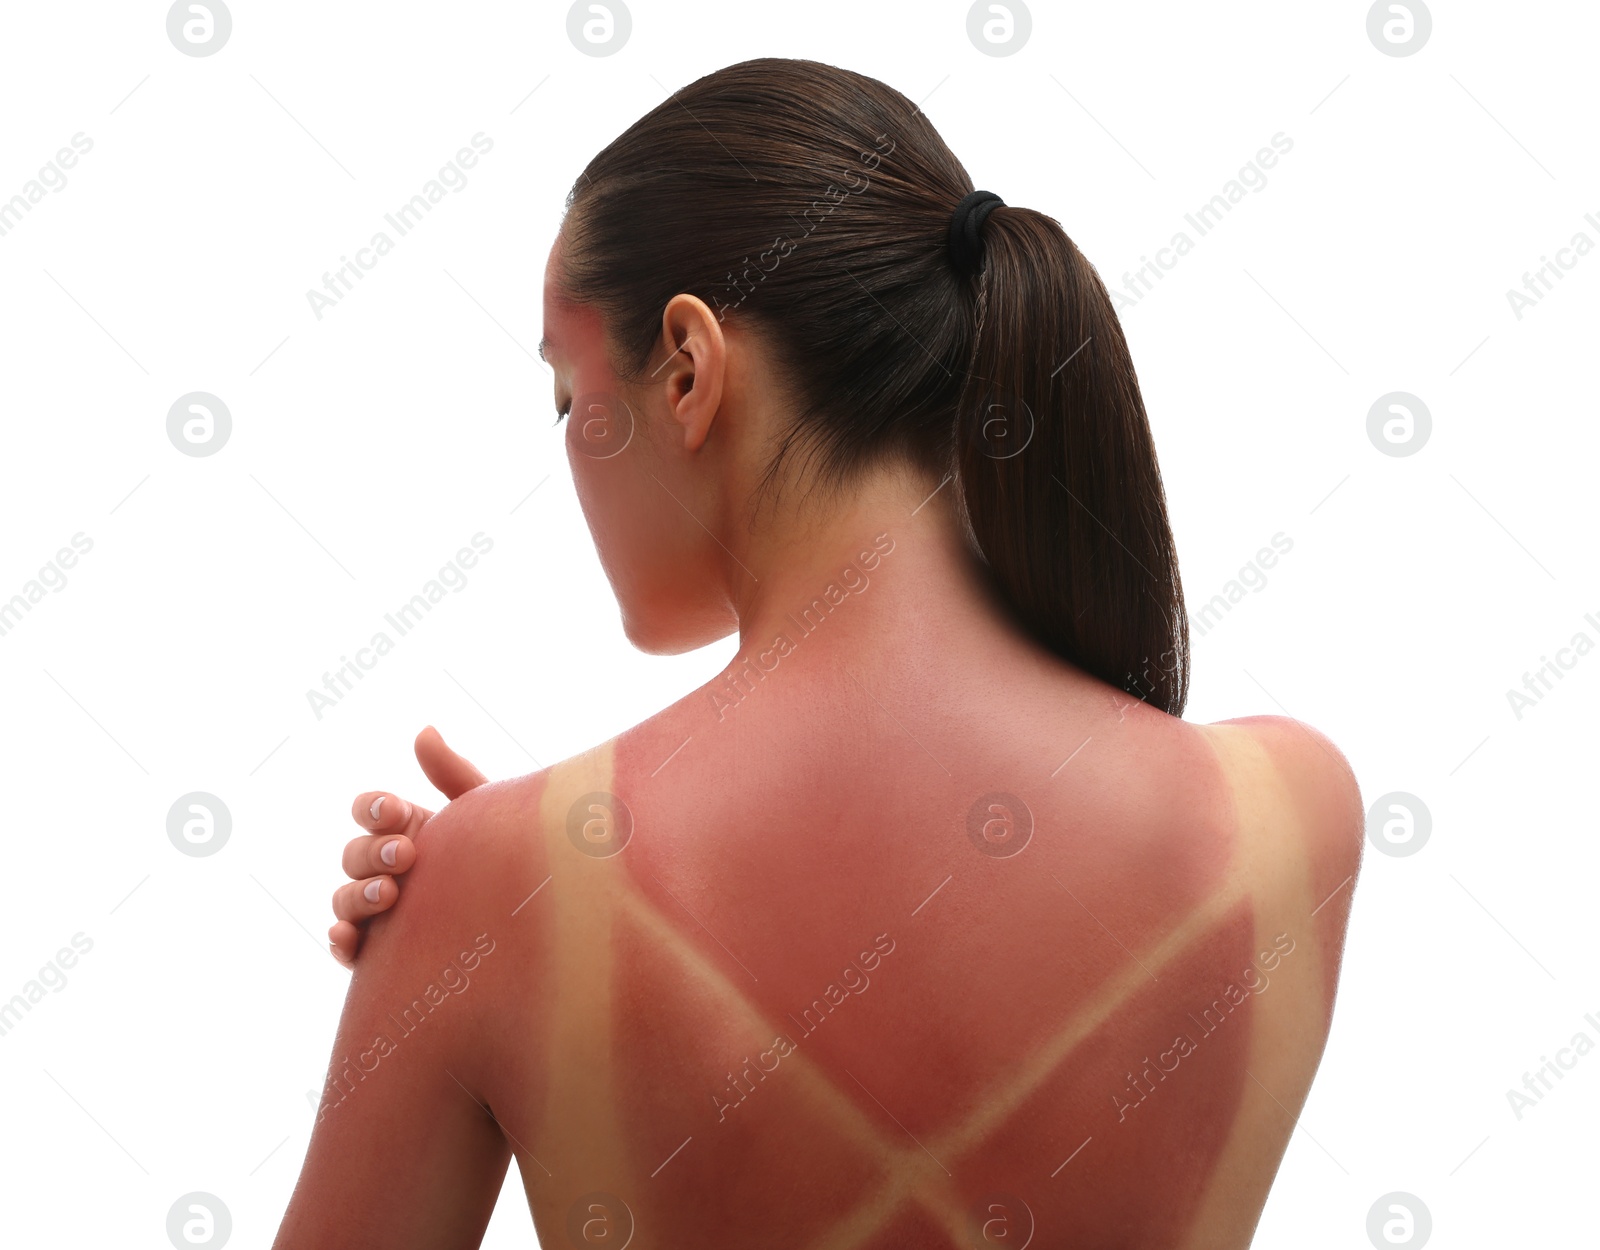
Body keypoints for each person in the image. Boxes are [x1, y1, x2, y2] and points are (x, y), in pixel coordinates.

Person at [276, 57, 1362, 1249]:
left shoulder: (494, 894)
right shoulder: (1288, 812)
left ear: (687, 369)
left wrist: (499, 909)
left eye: (565, 397)